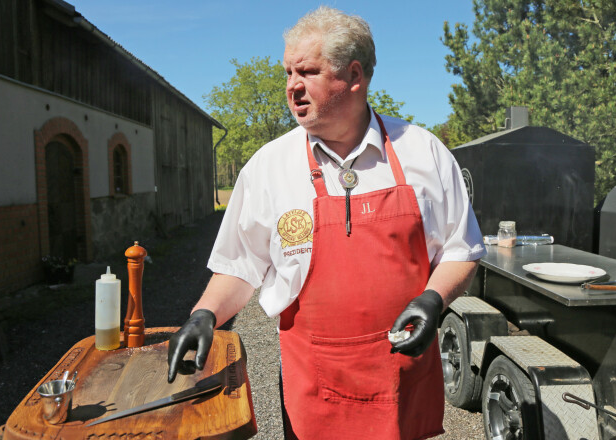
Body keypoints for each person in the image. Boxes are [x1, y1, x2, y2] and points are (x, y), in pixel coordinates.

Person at [167, 6, 486, 439]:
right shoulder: (268, 168)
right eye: (288, 73)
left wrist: (434, 299)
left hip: (402, 377)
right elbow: (240, 265)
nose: (292, 86)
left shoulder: (423, 153)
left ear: (354, 75)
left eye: (308, 71)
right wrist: (205, 313)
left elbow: (460, 248)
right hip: (314, 386)